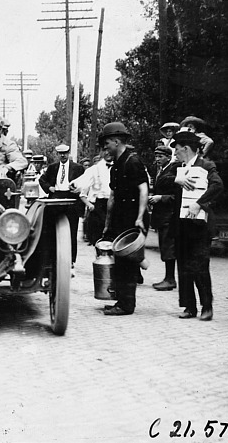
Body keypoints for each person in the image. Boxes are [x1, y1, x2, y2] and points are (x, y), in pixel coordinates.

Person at [171, 129, 224, 320]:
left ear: (186, 148)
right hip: (182, 226)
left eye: (176, 149)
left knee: (200, 265)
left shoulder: (206, 165)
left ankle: (207, 306)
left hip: (200, 227)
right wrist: (176, 179)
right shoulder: (177, 168)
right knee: (183, 266)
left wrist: (198, 203)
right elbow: (161, 181)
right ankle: (189, 307)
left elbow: (218, 186)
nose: (175, 153)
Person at [100, 122, 150, 316]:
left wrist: (139, 218)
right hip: (119, 217)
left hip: (132, 217)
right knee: (118, 261)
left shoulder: (133, 161)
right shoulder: (115, 166)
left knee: (128, 262)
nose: (105, 147)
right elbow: (112, 196)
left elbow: (144, 190)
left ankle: (126, 305)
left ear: (116, 141)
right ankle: (120, 300)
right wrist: (107, 224)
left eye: (106, 142)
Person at [39, 144, 86, 267]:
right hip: (56, 198)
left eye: (65, 153)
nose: (63, 155)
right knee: (52, 229)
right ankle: (52, 259)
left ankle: (70, 260)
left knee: (71, 230)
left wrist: (79, 189)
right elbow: (42, 180)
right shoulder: (52, 168)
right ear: (57, 154)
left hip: (71, 200)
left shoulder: (78, 168)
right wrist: (49, 188)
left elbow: (85, 182)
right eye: (60, 153)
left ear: (69, 153)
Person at [148, 145, 182, 291]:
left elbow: (177, 196)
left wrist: (161, 198)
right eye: (156, 156)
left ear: (169, 157)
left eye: (160, 156)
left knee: (168, 247)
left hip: (170, 216)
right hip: (162, 215)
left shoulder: (174, 170)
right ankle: (168, 278)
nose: (157, 159)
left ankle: (170, 279)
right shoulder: (159, 171)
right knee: (164, 246)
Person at [70, 149, 113, 246]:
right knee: (98, 240)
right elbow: (83, 181)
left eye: (110, 150)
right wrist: (74, 184)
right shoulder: (95, 169)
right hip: (100, 207)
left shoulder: (120, 166)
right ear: (101, 152)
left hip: (115, 206)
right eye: (105, 150)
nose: (108, 153)